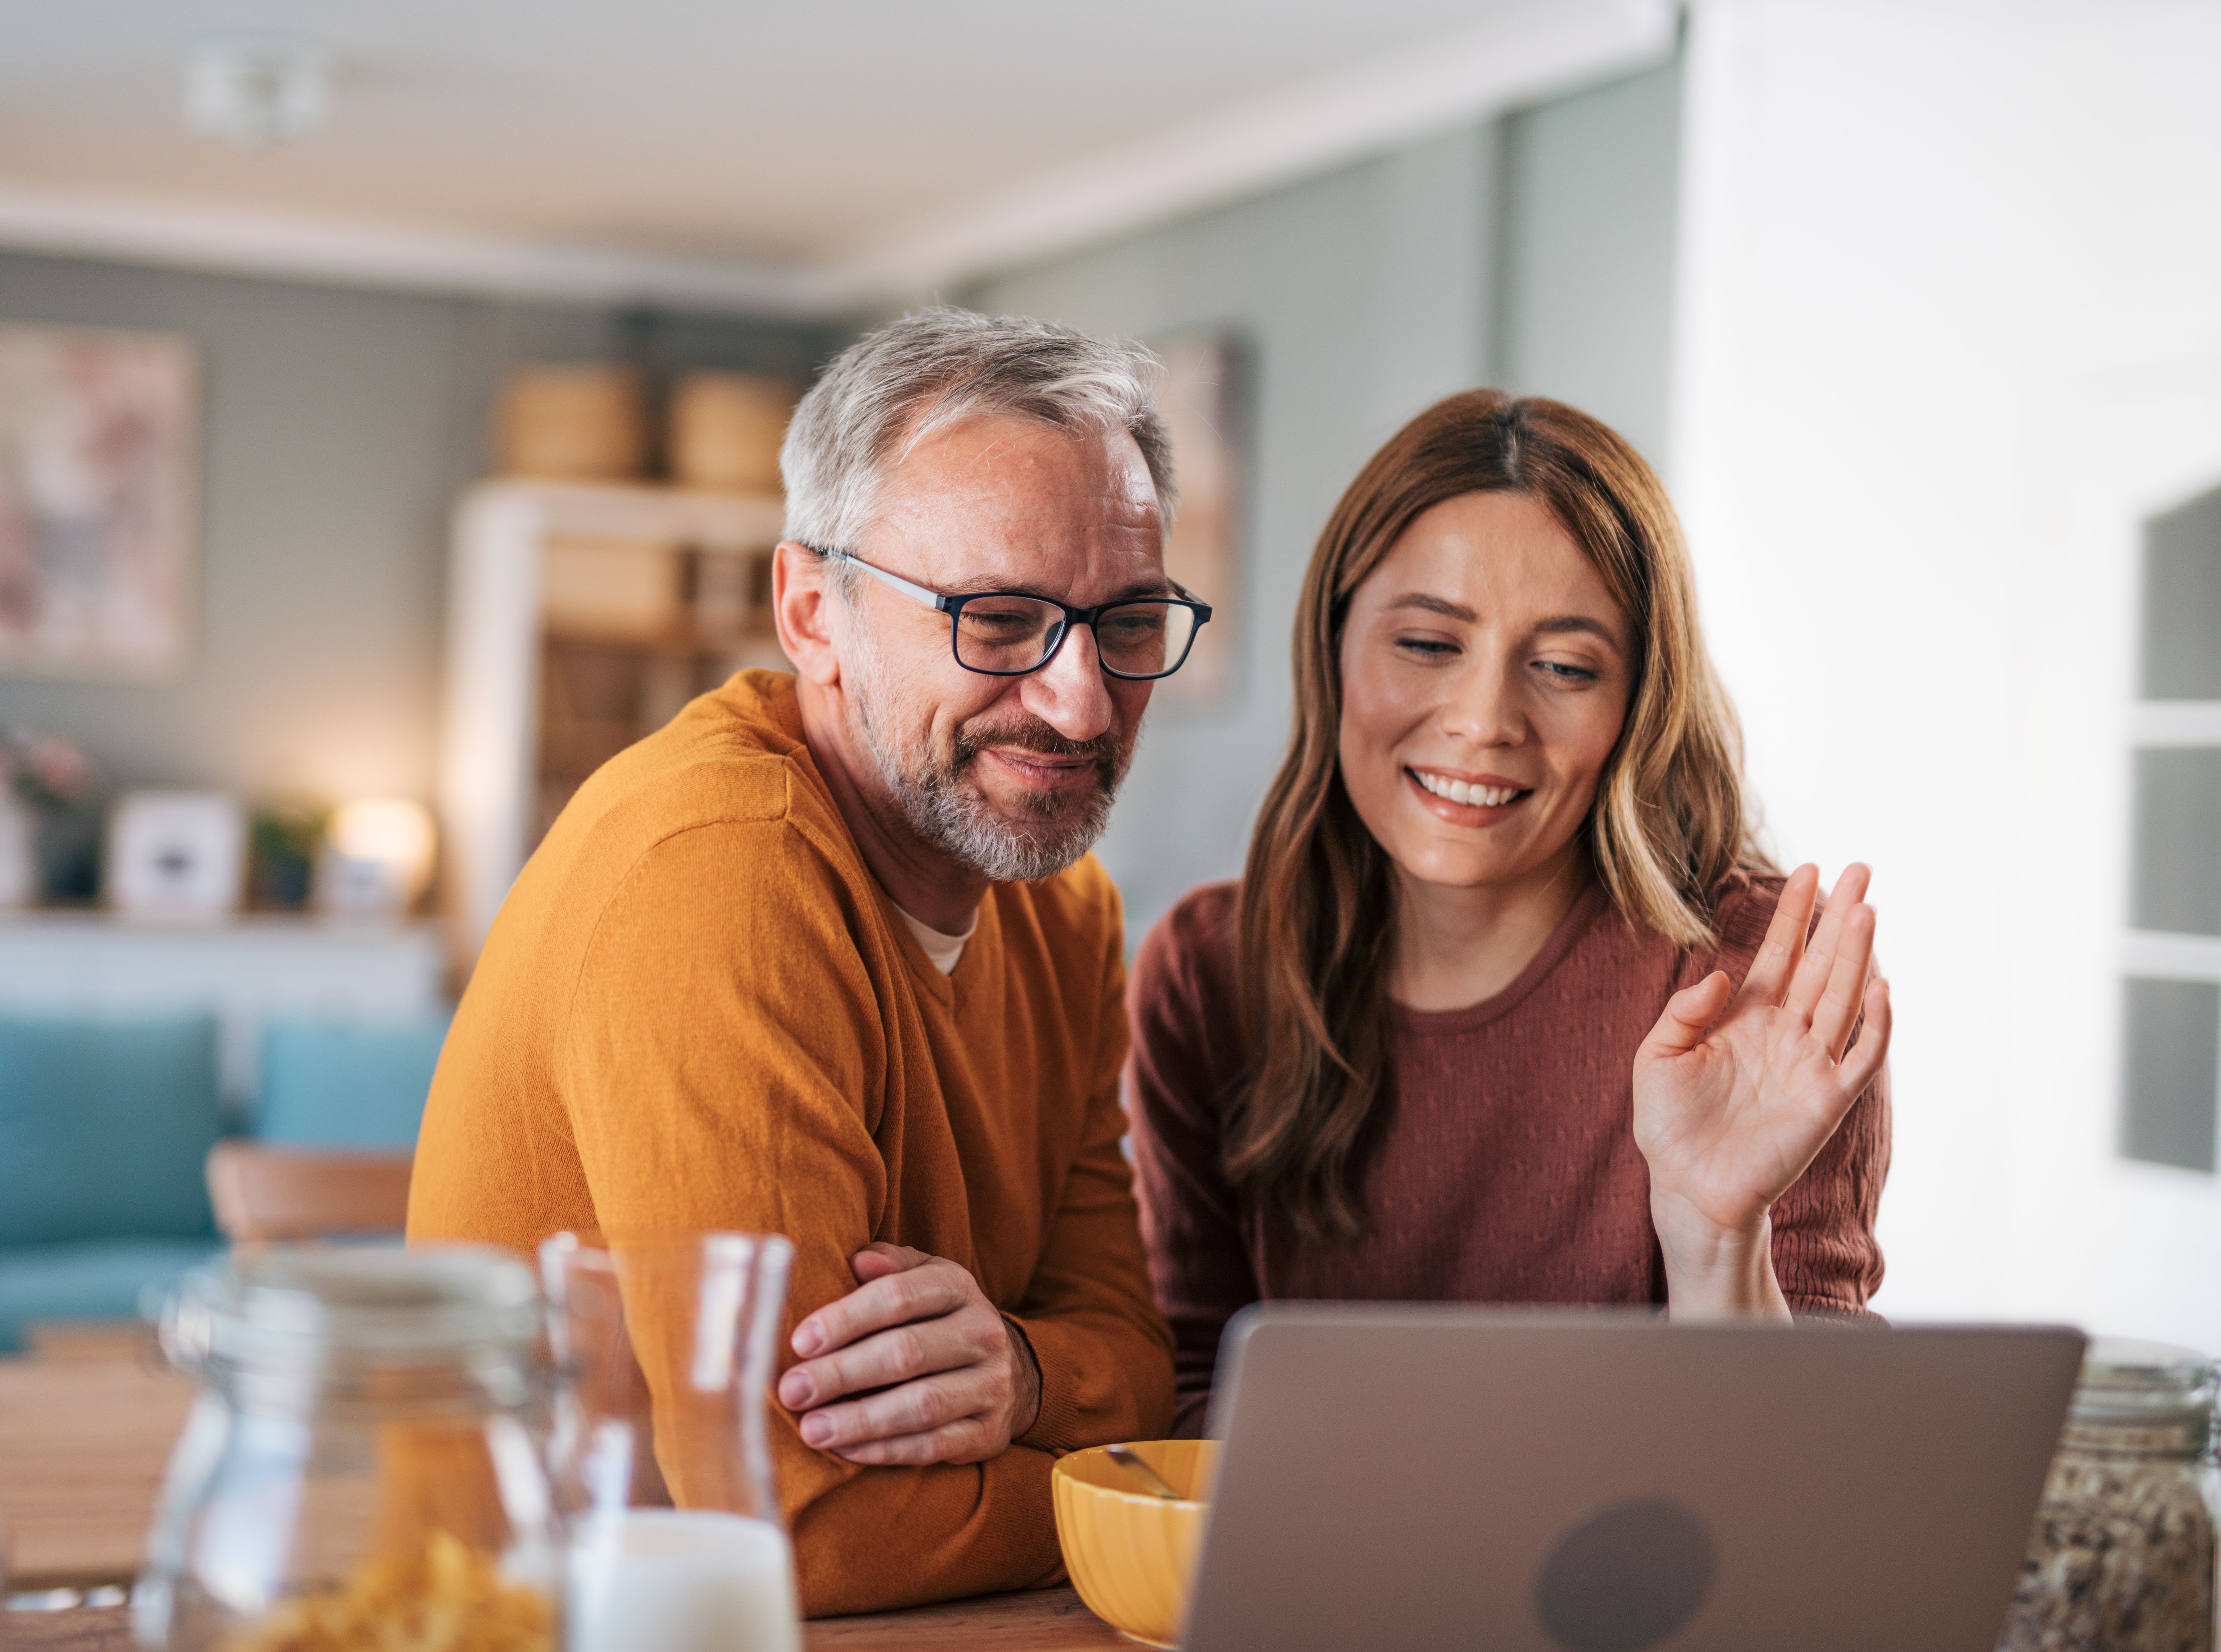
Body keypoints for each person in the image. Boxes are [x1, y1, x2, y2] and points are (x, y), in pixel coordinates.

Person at [409, 309, 1200, 1612]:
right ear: (812, 610)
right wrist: (1139, 1496)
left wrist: (1025, 1371)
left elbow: (1128, 1347)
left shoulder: (1069, 909)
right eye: (997, 621)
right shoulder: (722, 866)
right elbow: (803, 1530)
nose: (1082, 701)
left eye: (1129, 622)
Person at [1126, 390, 1894, 1437]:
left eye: (1566, 667)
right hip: (1307, 1591)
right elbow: (1181, 1406)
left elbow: (1811, 1484)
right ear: (1335, 644)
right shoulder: (1210, 973)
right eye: (1430, 645)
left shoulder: (1750, 983)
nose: (1485, 721)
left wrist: (1720, 1240)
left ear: (1638, 703)